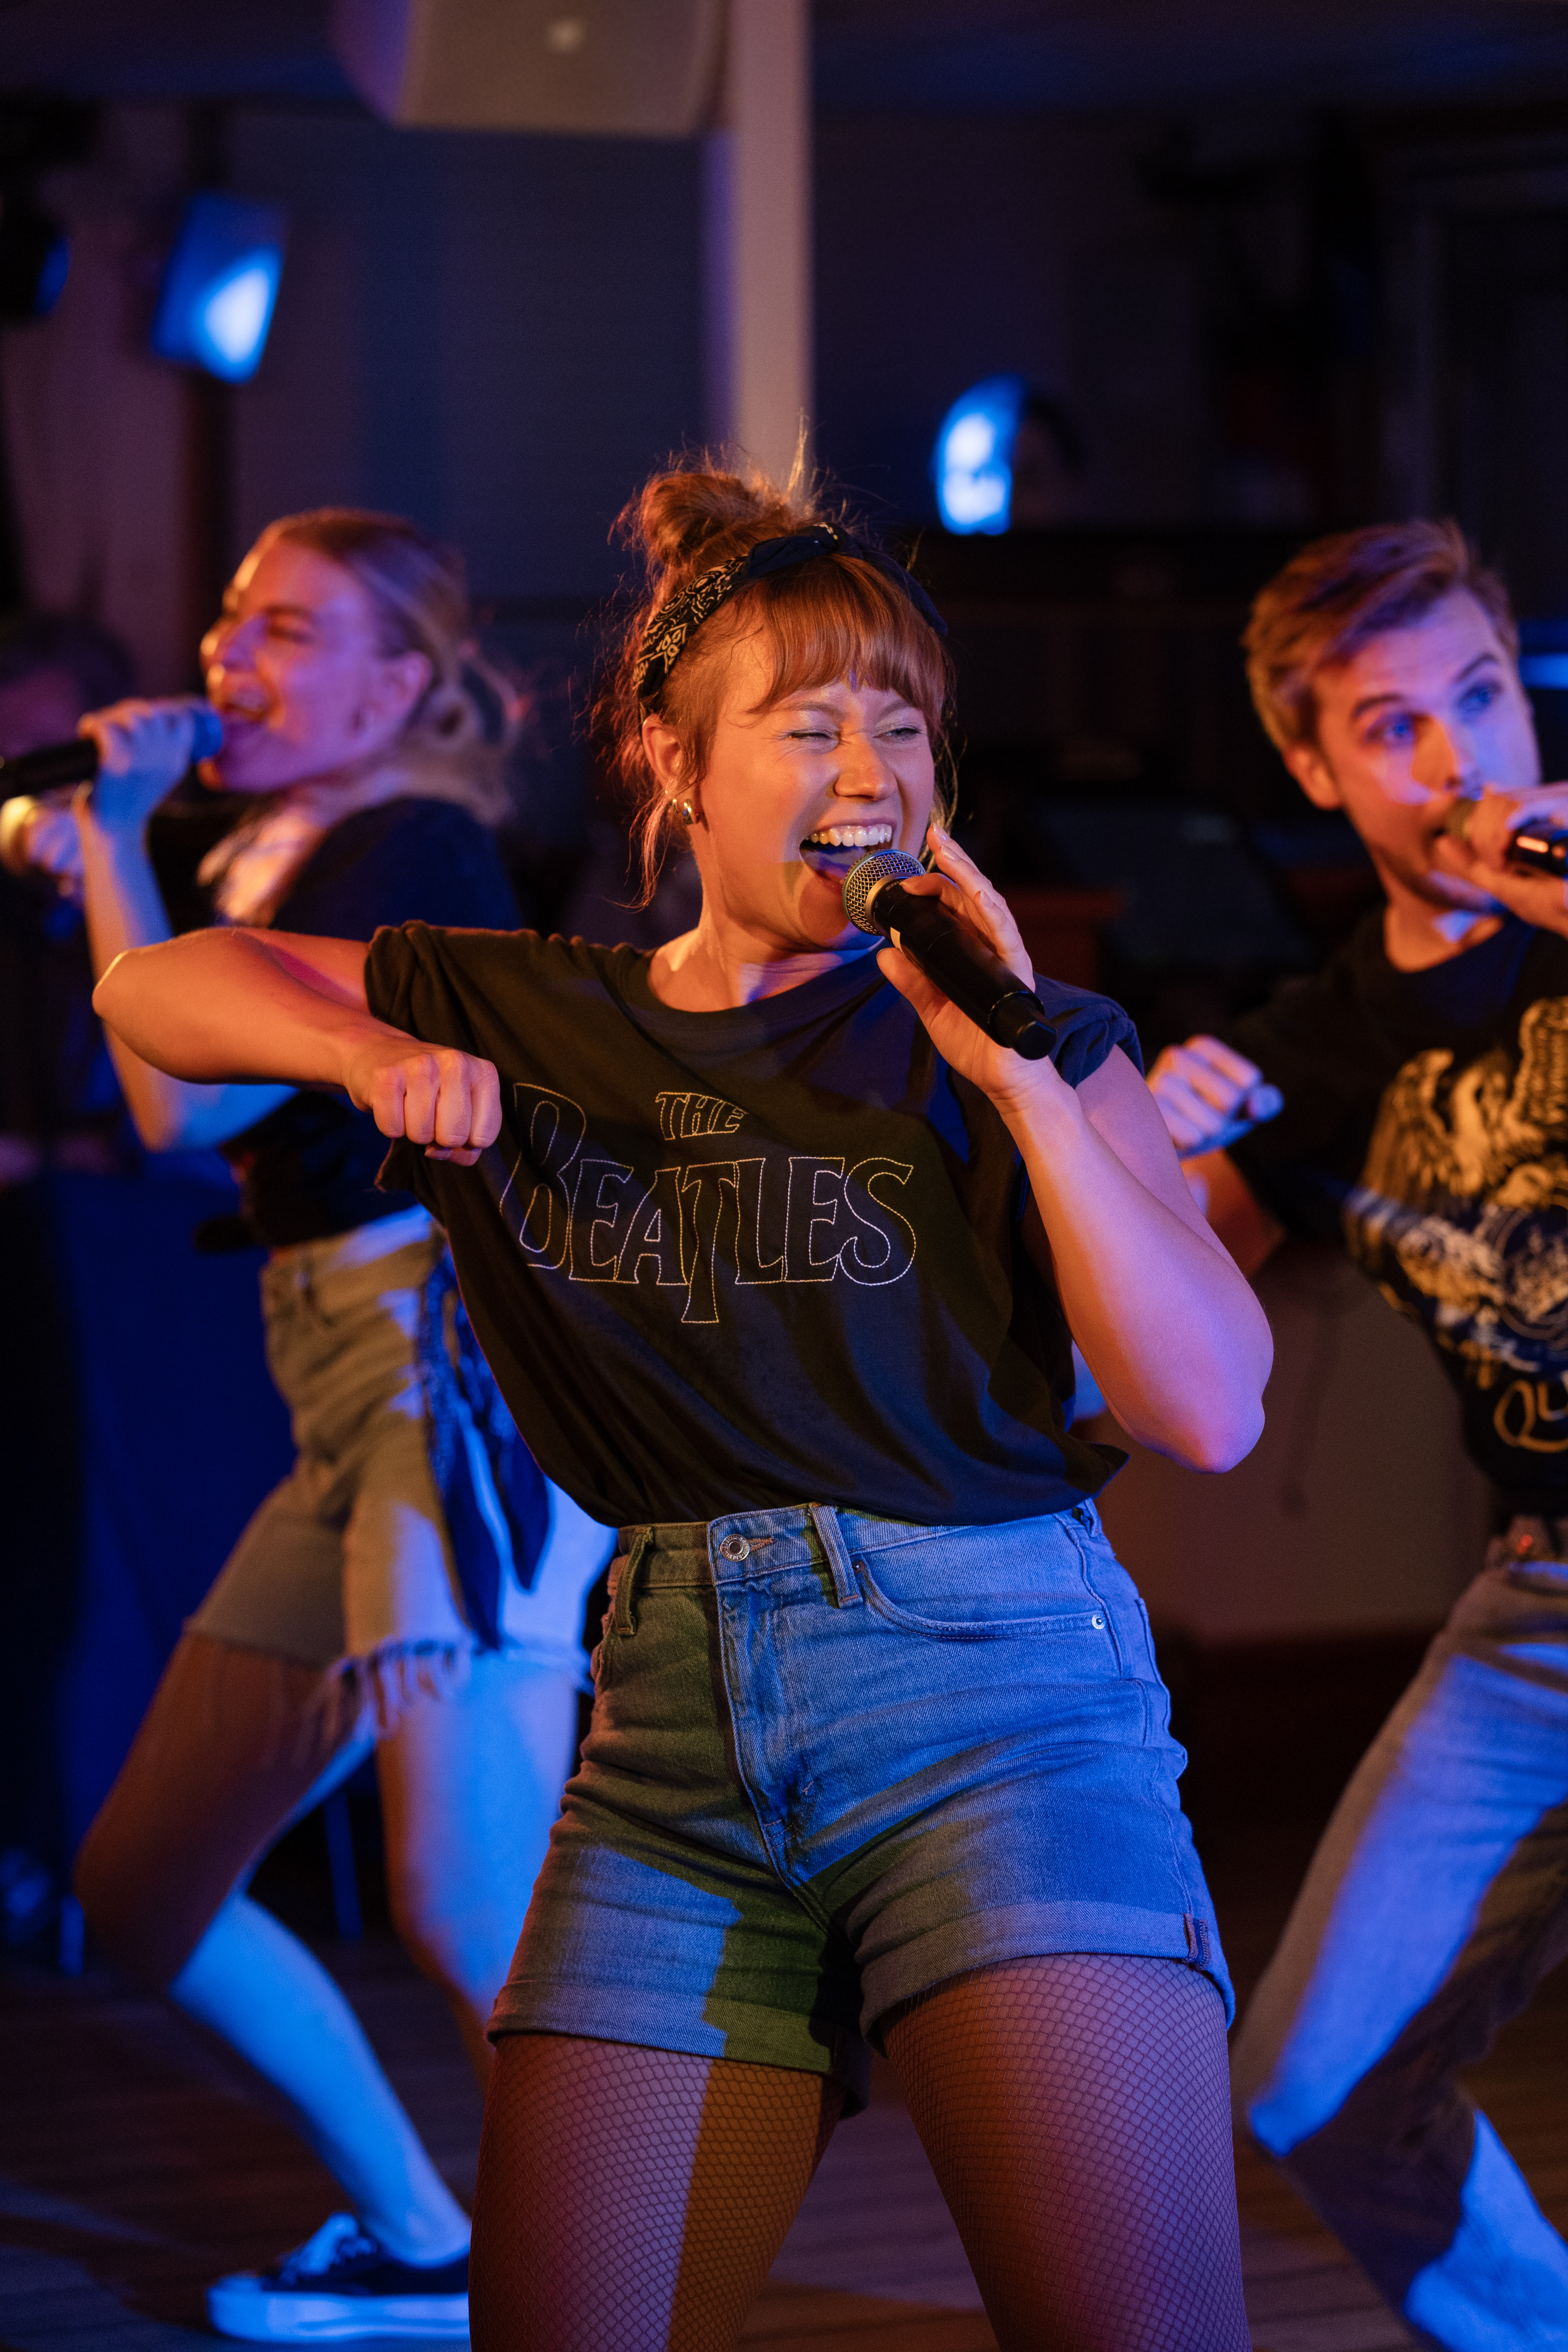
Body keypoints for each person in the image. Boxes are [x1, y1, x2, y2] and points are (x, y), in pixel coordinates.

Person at [91, 462, 1272, 2352]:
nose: (872, 769)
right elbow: (162, 986)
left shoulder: (1030, 1043)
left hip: (1000, 1703)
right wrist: (376, 1053)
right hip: (667, 1728)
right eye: (810, 726)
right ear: (674, 763)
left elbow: (1209, 1410)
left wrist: (1028, 1075)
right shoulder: (547, 1009)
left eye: (905, 726)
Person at [4, 509, 615, 2343]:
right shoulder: (267, 842)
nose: (224, 659)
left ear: (403, 681)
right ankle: (430, 2240)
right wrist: (98, 847)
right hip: (343, 1393)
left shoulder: (418, 842)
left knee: (464, 1894)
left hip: (455, 1376)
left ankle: (610, 2292)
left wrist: (109, 844)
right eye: (226, 619)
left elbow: (172, 1106)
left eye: (285, 628)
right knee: (143, 1882)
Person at [1150, 519, 1568, 2352]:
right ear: (1314, 770)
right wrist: (1140, 1152)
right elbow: (1156, 1376)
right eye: (1395, 728)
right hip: (1541, 1610)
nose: (1463, 762)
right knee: (1312, 2078)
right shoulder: (1315, 1049)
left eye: (1483, 695)